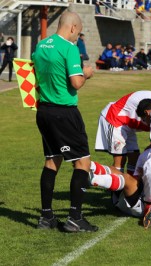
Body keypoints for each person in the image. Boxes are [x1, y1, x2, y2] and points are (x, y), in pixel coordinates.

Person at [32, 11, 97, 232]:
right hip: (64, 112)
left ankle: (46, 217)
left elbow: (35, 75)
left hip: (44, 111)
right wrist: (87, 73)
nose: (76, 36)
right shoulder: (70, 48)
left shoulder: (41, 45)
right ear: (72, 28)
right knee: (82, 162)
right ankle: (75, 218)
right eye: (77, 32)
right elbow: (76, 82)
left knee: (52, 161)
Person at [95, 90, 151, 176]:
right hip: (115, 118)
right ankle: (113, 185)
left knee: (134, 157)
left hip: (129, 122)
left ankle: (130, 184)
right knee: (120, 158)